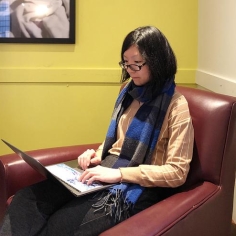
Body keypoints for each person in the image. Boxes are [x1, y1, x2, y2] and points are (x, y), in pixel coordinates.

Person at [0, 26, 194, 236]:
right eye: (125, 64)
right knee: (26, 199)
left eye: (136, 64)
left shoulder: (176, 106)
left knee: (61, 224)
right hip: (104, 171)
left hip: (134, 187)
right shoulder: (128, 93)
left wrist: (119, 174)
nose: (129, 70)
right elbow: (117, 143)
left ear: (157, 61)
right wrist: (96, 154)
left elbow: (177, 172)